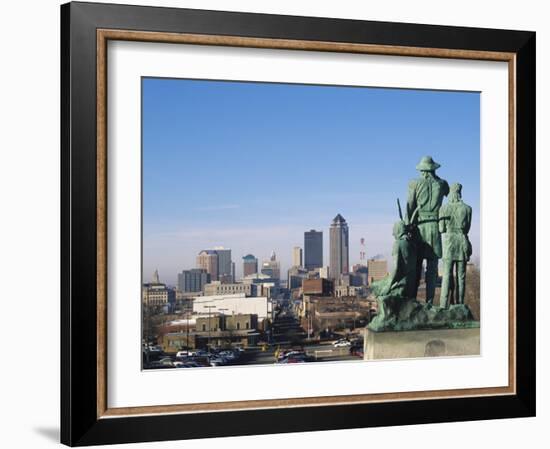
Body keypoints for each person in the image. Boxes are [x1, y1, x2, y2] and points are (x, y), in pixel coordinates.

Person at [407, 156, 449, 304]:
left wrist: (407, 227)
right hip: (435, 227)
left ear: (423, 171)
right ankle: (430, 301)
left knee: (416, 265)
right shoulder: (442, 184)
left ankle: (412, 300)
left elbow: (410, 207)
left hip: (420, 228)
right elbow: (448, 195)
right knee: (432, 268)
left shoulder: (414, 184)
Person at [439, 183, 472, 307]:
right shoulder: (467, 209)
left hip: (449, 243)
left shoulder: (444, 208)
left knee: (446, 274)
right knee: (461, 276)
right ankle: (459, 304)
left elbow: (441, 228)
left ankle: (443, 304)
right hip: (462, 241)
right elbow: (467, 228)